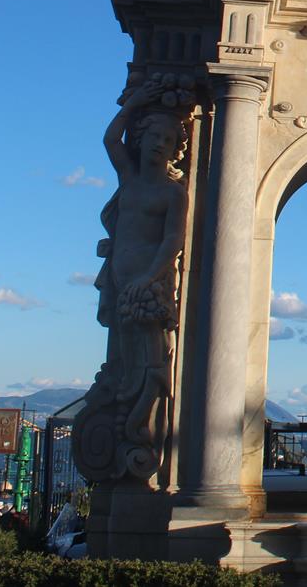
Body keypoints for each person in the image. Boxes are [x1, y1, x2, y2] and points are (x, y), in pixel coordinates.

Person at [96, 77, 191, 456]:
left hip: (148, 288)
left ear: (174, 149)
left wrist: (150, 276)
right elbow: (110, 141)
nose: (157, 144)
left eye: (166, 140)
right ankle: (136, 432)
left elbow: (173, 241)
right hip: (122, 283)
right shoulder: (130, 179)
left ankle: (142, 432)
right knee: (126, 362)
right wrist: (133, 104)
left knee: (154, 367)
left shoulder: (173, 192)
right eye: (152, 137)